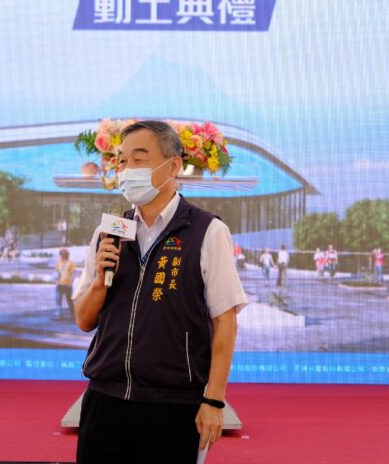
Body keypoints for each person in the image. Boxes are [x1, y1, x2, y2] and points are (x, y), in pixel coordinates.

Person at [72, 121, 247, 464]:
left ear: (174, 166)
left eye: (139, 159)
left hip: (174, 404)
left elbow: (225, 321)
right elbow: (83, 320)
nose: (127, 169)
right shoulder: (110, 232)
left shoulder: (208, 231)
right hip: (105, 399)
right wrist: (100, 281)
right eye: (122, 161)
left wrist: (214, 399)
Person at [53, 248, 76, 320]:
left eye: (65, 254)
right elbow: (56, 272)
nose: (63, 256)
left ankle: (73, 315)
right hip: (59, 285)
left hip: (67, 285)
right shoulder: (58, 263)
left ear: (67, 255)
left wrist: (71, 283)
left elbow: (73, 274)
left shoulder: (71, 263)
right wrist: (56, 282)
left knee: (69, 300)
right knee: (58, 300)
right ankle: (58, 315)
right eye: (62, 254)